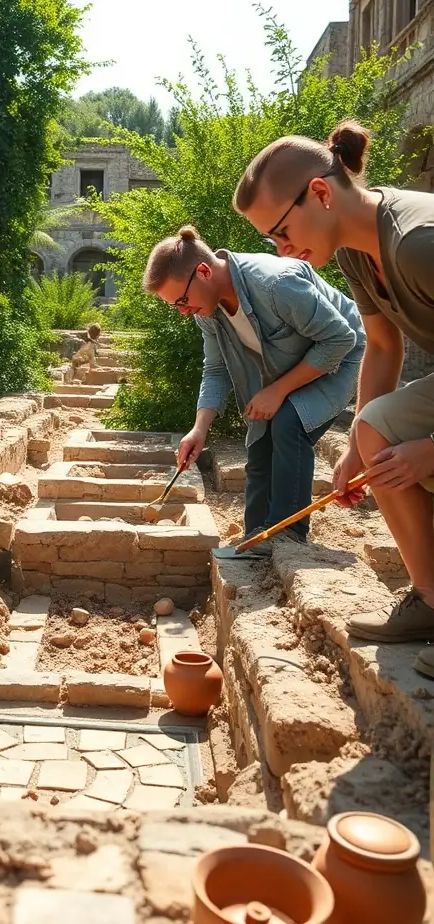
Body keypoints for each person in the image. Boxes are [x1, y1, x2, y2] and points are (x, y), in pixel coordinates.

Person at [233, 121, 434, 668]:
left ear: (319, 193)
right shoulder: (352, 249)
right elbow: (384, 347)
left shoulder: (418, 243)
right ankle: (430, 597)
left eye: (279, 231)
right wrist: (355, 450)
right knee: (374, 429)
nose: (280, 249)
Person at [143, 225, 364, 553]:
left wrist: (277, 392)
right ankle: (255, 539)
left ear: (203, 271)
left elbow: (340, 338)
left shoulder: (276, 283)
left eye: (182, 300)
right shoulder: (208, 311)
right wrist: (199, 429)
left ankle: (288, 535)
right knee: (260, 440)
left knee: (289, 422)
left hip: (344, 355)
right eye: (175, 305)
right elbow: (216, 370)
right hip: (296, 366)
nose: (182, 311)